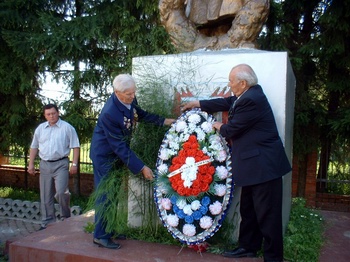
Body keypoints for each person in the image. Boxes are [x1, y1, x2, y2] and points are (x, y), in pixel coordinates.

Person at [181, 64, 291, 262]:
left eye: (231, 81)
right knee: (248, 210)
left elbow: (232, 129)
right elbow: (227, 101)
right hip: (253, 167)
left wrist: (218, 126)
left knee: (268, 216)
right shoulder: (246, 95)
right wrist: (198, 103)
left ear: (243, 82)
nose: (229, 85)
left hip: (264, 167)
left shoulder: (251, 100)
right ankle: (248, 247)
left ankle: (274, 257)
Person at [90, 73, 175, 249]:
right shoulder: (109, 113)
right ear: (117, 92)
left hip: (116, 153)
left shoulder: (128, 101)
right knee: (105, 194)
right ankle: (100, 235)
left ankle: (110, 228)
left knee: (115, 193)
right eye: (129, 94)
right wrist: (142, 167)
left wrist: (164, 121)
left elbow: (141, 115)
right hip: (105, 156)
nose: (133, 96)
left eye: (133, 92)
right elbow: (120, 147)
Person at [28, 104, 80, 229]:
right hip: (45, 164)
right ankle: (47, 221)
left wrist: (74, 164)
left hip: (61, 163)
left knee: (61, 192)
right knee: (46, 195)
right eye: (48, 114)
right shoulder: (40, 129)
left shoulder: (67, 128)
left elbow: (76, 146)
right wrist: (31, 164)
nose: (51, 116)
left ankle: (65, 218)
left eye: (53, 113)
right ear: (45, 115)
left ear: (58, 113)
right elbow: (34, 146)